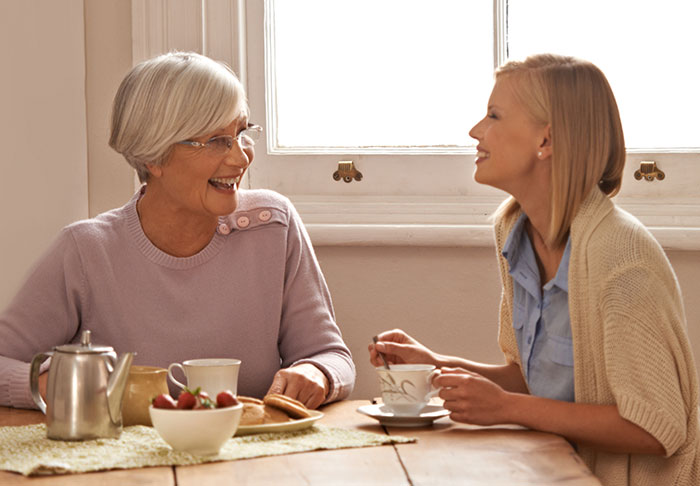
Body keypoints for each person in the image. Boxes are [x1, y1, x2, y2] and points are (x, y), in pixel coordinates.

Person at [369, 54, 698, 485]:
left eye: (494, 115)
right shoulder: (515, 232)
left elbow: (658, 427)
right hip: (550, 470)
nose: (475, 131)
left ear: (547, 140)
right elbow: (535, 382)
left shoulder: (621, 256)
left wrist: (506, 409)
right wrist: (437, 368)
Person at [0, 51, 354, 410]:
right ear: (154, 155)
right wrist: (53, 386)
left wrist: (316, 373)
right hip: (128, 465)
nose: (241, 157)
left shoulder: (272, 225)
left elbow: (328, 353)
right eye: (217, 141)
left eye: (241, 133)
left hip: (252, 458)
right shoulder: (86, 250)